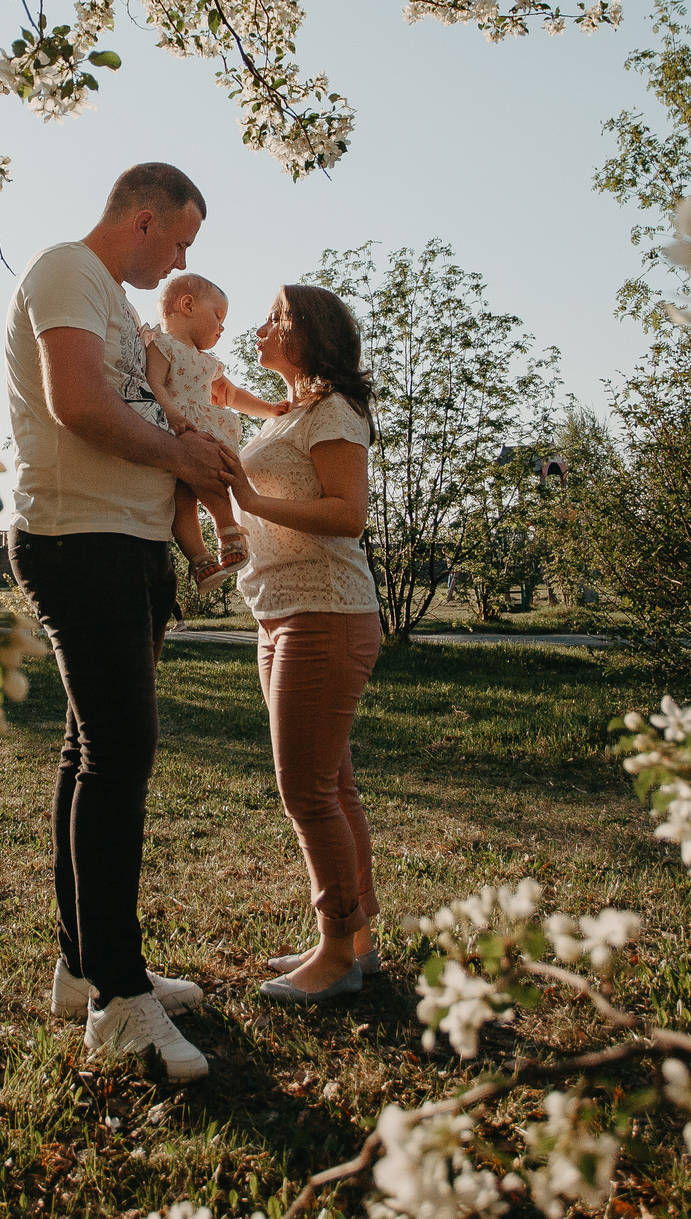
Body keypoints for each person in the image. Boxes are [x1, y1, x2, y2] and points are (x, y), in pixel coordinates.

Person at [3, 162, 239, 1083]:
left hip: (133, 543)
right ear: (144, 221)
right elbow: (81, 404)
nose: (182, 260)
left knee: (87, 748)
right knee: (120, 752)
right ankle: (119, 1000)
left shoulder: (111, 299)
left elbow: (133, 398)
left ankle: (82, 966)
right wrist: (182, 451)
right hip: (78, 539)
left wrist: (187, 455)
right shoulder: (67, 271)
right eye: (179, 242)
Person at [226, 284, 382, 1003]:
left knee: (307, 790)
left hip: (325, 612)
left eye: (276, 318)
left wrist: (252, 502)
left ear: (308, 334)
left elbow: (347, 513)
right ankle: (357, 939)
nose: (261, 327)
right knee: (334, 787)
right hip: (281, 611)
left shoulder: (335, 412)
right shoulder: (288, 414)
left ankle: (335, 955)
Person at [142, 272, 289, 584]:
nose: (222, 327)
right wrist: (173, 415)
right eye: (218, 316)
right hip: (175, 431)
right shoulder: (162, 345)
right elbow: (155, 383)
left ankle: (227, 531)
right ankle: (200, 558)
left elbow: (232, 395)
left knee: (214, 480)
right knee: (181, 501)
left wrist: (267, 409)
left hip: (201, 431)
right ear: (188, 305)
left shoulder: (206, 362)